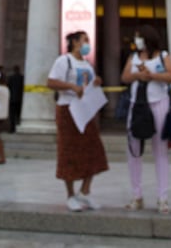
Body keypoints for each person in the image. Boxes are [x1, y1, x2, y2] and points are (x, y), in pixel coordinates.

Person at [46, 30, 109, 212]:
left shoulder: (88, 64)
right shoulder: (63, 61)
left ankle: (85, 191)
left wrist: (96, 82)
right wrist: (71, 86)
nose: (87, 43)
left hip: (86, 110)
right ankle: (70, 195)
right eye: (84, 40)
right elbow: (51, 82)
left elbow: (88, 86)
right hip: (68, 109)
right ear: (74, 42)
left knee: (93, 150)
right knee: (69, 151)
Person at [120, 24, 171, 214]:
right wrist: (138, 75)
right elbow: (125, 77)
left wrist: (152, 75)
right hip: (137, 105)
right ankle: (137, 196)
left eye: (139, 37)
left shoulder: (163, 56)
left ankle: (162, 198)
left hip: (159, 103)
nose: (137, 41)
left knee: (159, 151)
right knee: (133, 151)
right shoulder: (133, 57)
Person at [7, 64, 24, 132]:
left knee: (12, 115)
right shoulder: (22, 78)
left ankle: (12, 128)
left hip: (12, 99)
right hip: (19, 99)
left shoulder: (11, 78)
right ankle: (18, 126)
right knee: (18, 114)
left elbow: (9, 87)